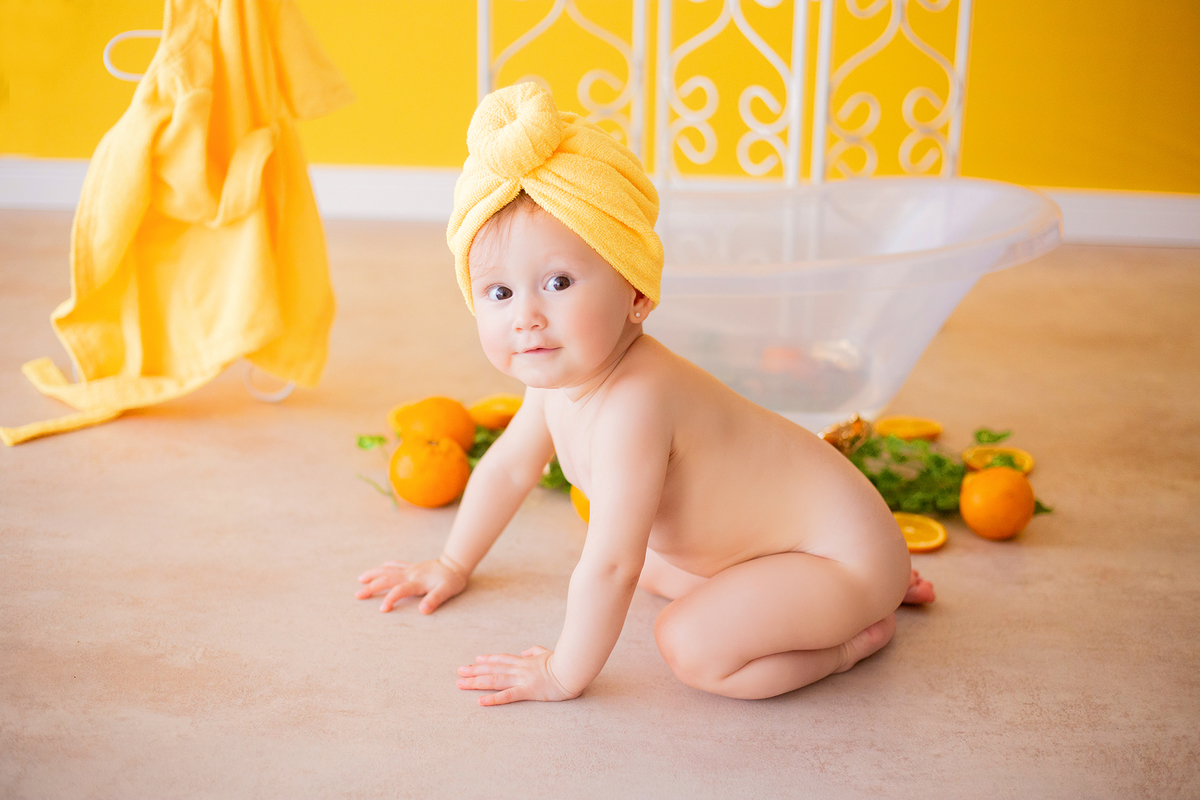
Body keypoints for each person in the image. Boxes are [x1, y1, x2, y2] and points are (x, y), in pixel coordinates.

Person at [356, 83, 934, 706]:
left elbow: (610, 567)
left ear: (636, 294)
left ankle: (853, 635)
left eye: (557, 281)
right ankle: (849, 593)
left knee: (692, 644)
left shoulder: (636, 403)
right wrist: (451, 562)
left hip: (838, 556)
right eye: (499, 293)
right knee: (661, 567)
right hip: (798, 546)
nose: (526, 316)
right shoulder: (561, 379)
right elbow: (507, 466)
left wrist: (561, 672)